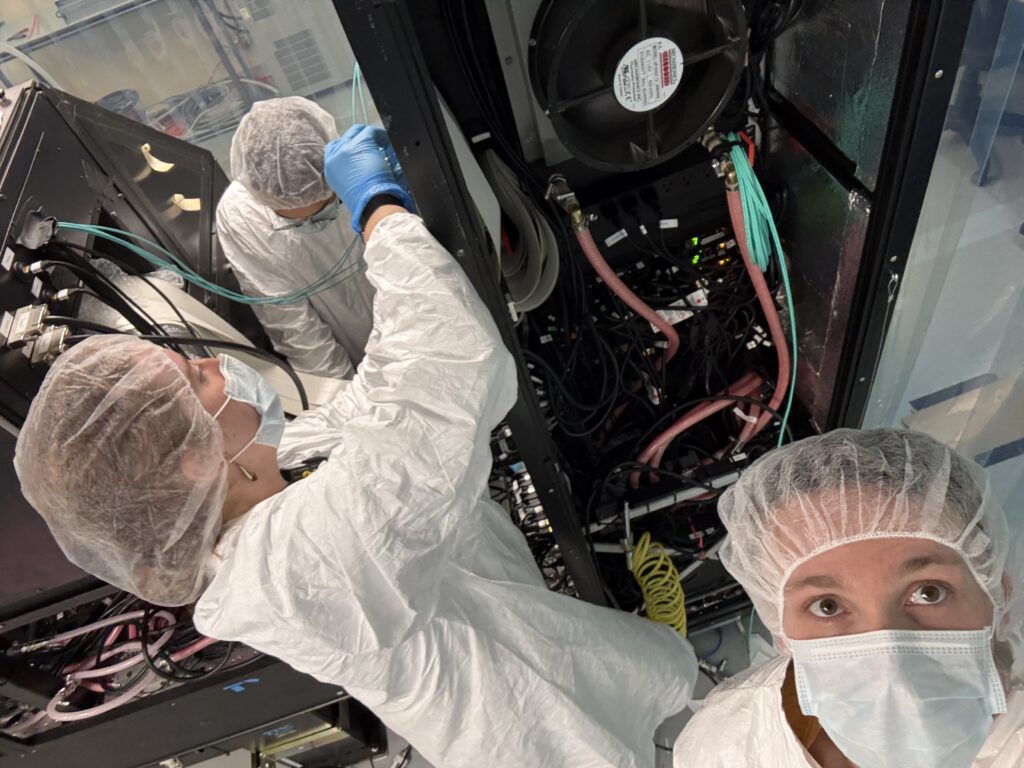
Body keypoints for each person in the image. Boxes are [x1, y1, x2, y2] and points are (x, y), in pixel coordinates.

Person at [14, 124, 697, 768]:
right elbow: (449, 374)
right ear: (195, 461)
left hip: (560, 658)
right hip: (557, 736)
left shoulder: (272, 469)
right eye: (198, 377)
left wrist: (391, 244)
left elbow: (377, 398)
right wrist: (378, 212)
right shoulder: (299, 568)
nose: (218, 363)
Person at [674, 428, 1024, 768]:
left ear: (999, 593)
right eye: (827, 606)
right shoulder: (727, 747)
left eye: (928, 592)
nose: (889, 661)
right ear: (782, 633)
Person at [216, 97, 388, 379]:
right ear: (262, 199)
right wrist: (344, 392)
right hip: (351, 356)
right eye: (294, 222)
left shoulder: (365, 168)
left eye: (325, 213)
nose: (312, 227)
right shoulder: (243, 216)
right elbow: (293, 326)